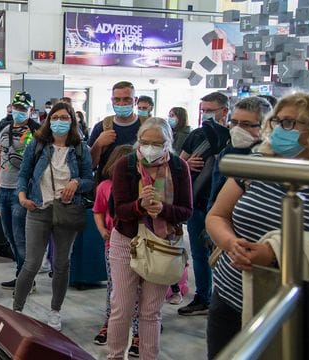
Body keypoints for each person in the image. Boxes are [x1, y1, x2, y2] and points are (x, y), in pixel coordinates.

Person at [205, 93, 309, 359]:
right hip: (230, 294)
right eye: (277, 122)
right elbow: (217, 215)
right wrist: (231, 243)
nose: (279, 130)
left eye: (290, 123)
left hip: (290, 303)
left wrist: (273, 254)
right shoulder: (256, 164)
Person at [107, 117, 193, 360]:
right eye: (145, 142)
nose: (150, 148)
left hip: (162, 243)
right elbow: (118, 211)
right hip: (127, 240)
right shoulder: (126, 164)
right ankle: (114, 356)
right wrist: (140, 206)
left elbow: (187, 210)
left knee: (151, 310)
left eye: (157, 143)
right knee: (121, 307)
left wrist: (162, 209)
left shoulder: (178, 167)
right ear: (138, 141)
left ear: (169, 143)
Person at [14, 101, 94, 331]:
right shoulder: (38, 144)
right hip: (38, 208)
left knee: (61, 263)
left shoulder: (81, 149)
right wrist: (21, 196)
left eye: (65, 117)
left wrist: (77, 182)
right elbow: (24, 173)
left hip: (66, 211)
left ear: (72, 121)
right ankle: (16, 309)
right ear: (49, 120)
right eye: (55, 117)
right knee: (31, 263)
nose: (60, 121)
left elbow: (90, 180)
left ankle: (55, 311)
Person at [178, 92, 230, 316]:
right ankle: (203, 296)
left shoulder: (233, 138)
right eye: (203, 110)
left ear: (224, 111)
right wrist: (187, 164)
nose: (206, 114)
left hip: (227, 205)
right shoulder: (197, 135)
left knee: (228, 254)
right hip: (198, 202)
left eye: (210, 109)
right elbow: (178, 163)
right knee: (199, 254)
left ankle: (228, 299)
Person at [0, 91, 41, 290]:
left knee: (21, 236)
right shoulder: (4, 127)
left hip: (21, 191)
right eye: (17, 108)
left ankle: (27, 280)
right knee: (9, 236)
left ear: (30, 110)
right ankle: (21, 274)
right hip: (3, 187)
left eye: (24, 109)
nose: (19, 112)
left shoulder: (37, 131)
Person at [91, 144, 135, 347]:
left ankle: (138, 328)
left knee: (139, 290)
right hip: (113, 244)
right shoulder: (104, 187)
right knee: (114, 287)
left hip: (139, 244)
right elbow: (98, 210)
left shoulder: (141, 186)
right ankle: (110, 322)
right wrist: (101, 230)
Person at [207, 96, 272, 211]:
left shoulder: (270, 158)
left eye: (246, 124)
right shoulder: (226, 153)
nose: (237, 129)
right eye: (234, 122)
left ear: (265, 126)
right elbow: (215, 195)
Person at [89, 81, 142, 179]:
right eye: (117, 99)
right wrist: (98, 144)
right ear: (112, 100)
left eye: (127, 99)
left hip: (140, 185)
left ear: (135, 100)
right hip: (107, 185)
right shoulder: (101, 127)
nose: (121, 103)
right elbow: (90, 166)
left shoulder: (146, 126)